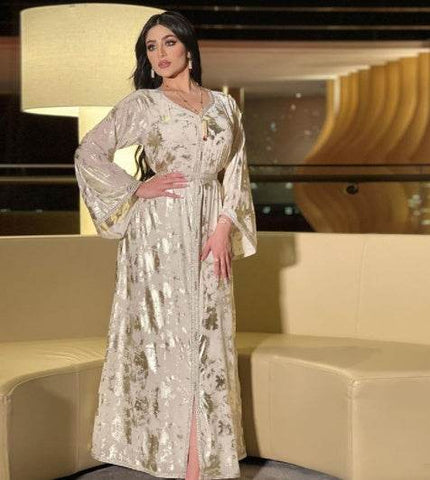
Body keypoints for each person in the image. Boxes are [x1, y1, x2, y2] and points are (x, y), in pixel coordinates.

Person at [74, 10, 257, 480]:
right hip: (157, 232)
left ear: (188, 49)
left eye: (168, 43)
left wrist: (225, 226)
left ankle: (206, 460)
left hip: (211, 227)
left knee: (208, 335)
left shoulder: (224, 106)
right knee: (168, 338)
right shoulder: (144, 103)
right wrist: (137, 187)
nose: (159, 54)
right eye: (151, 47)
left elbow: (236, 170)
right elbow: (89, 151)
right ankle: (178, 461)